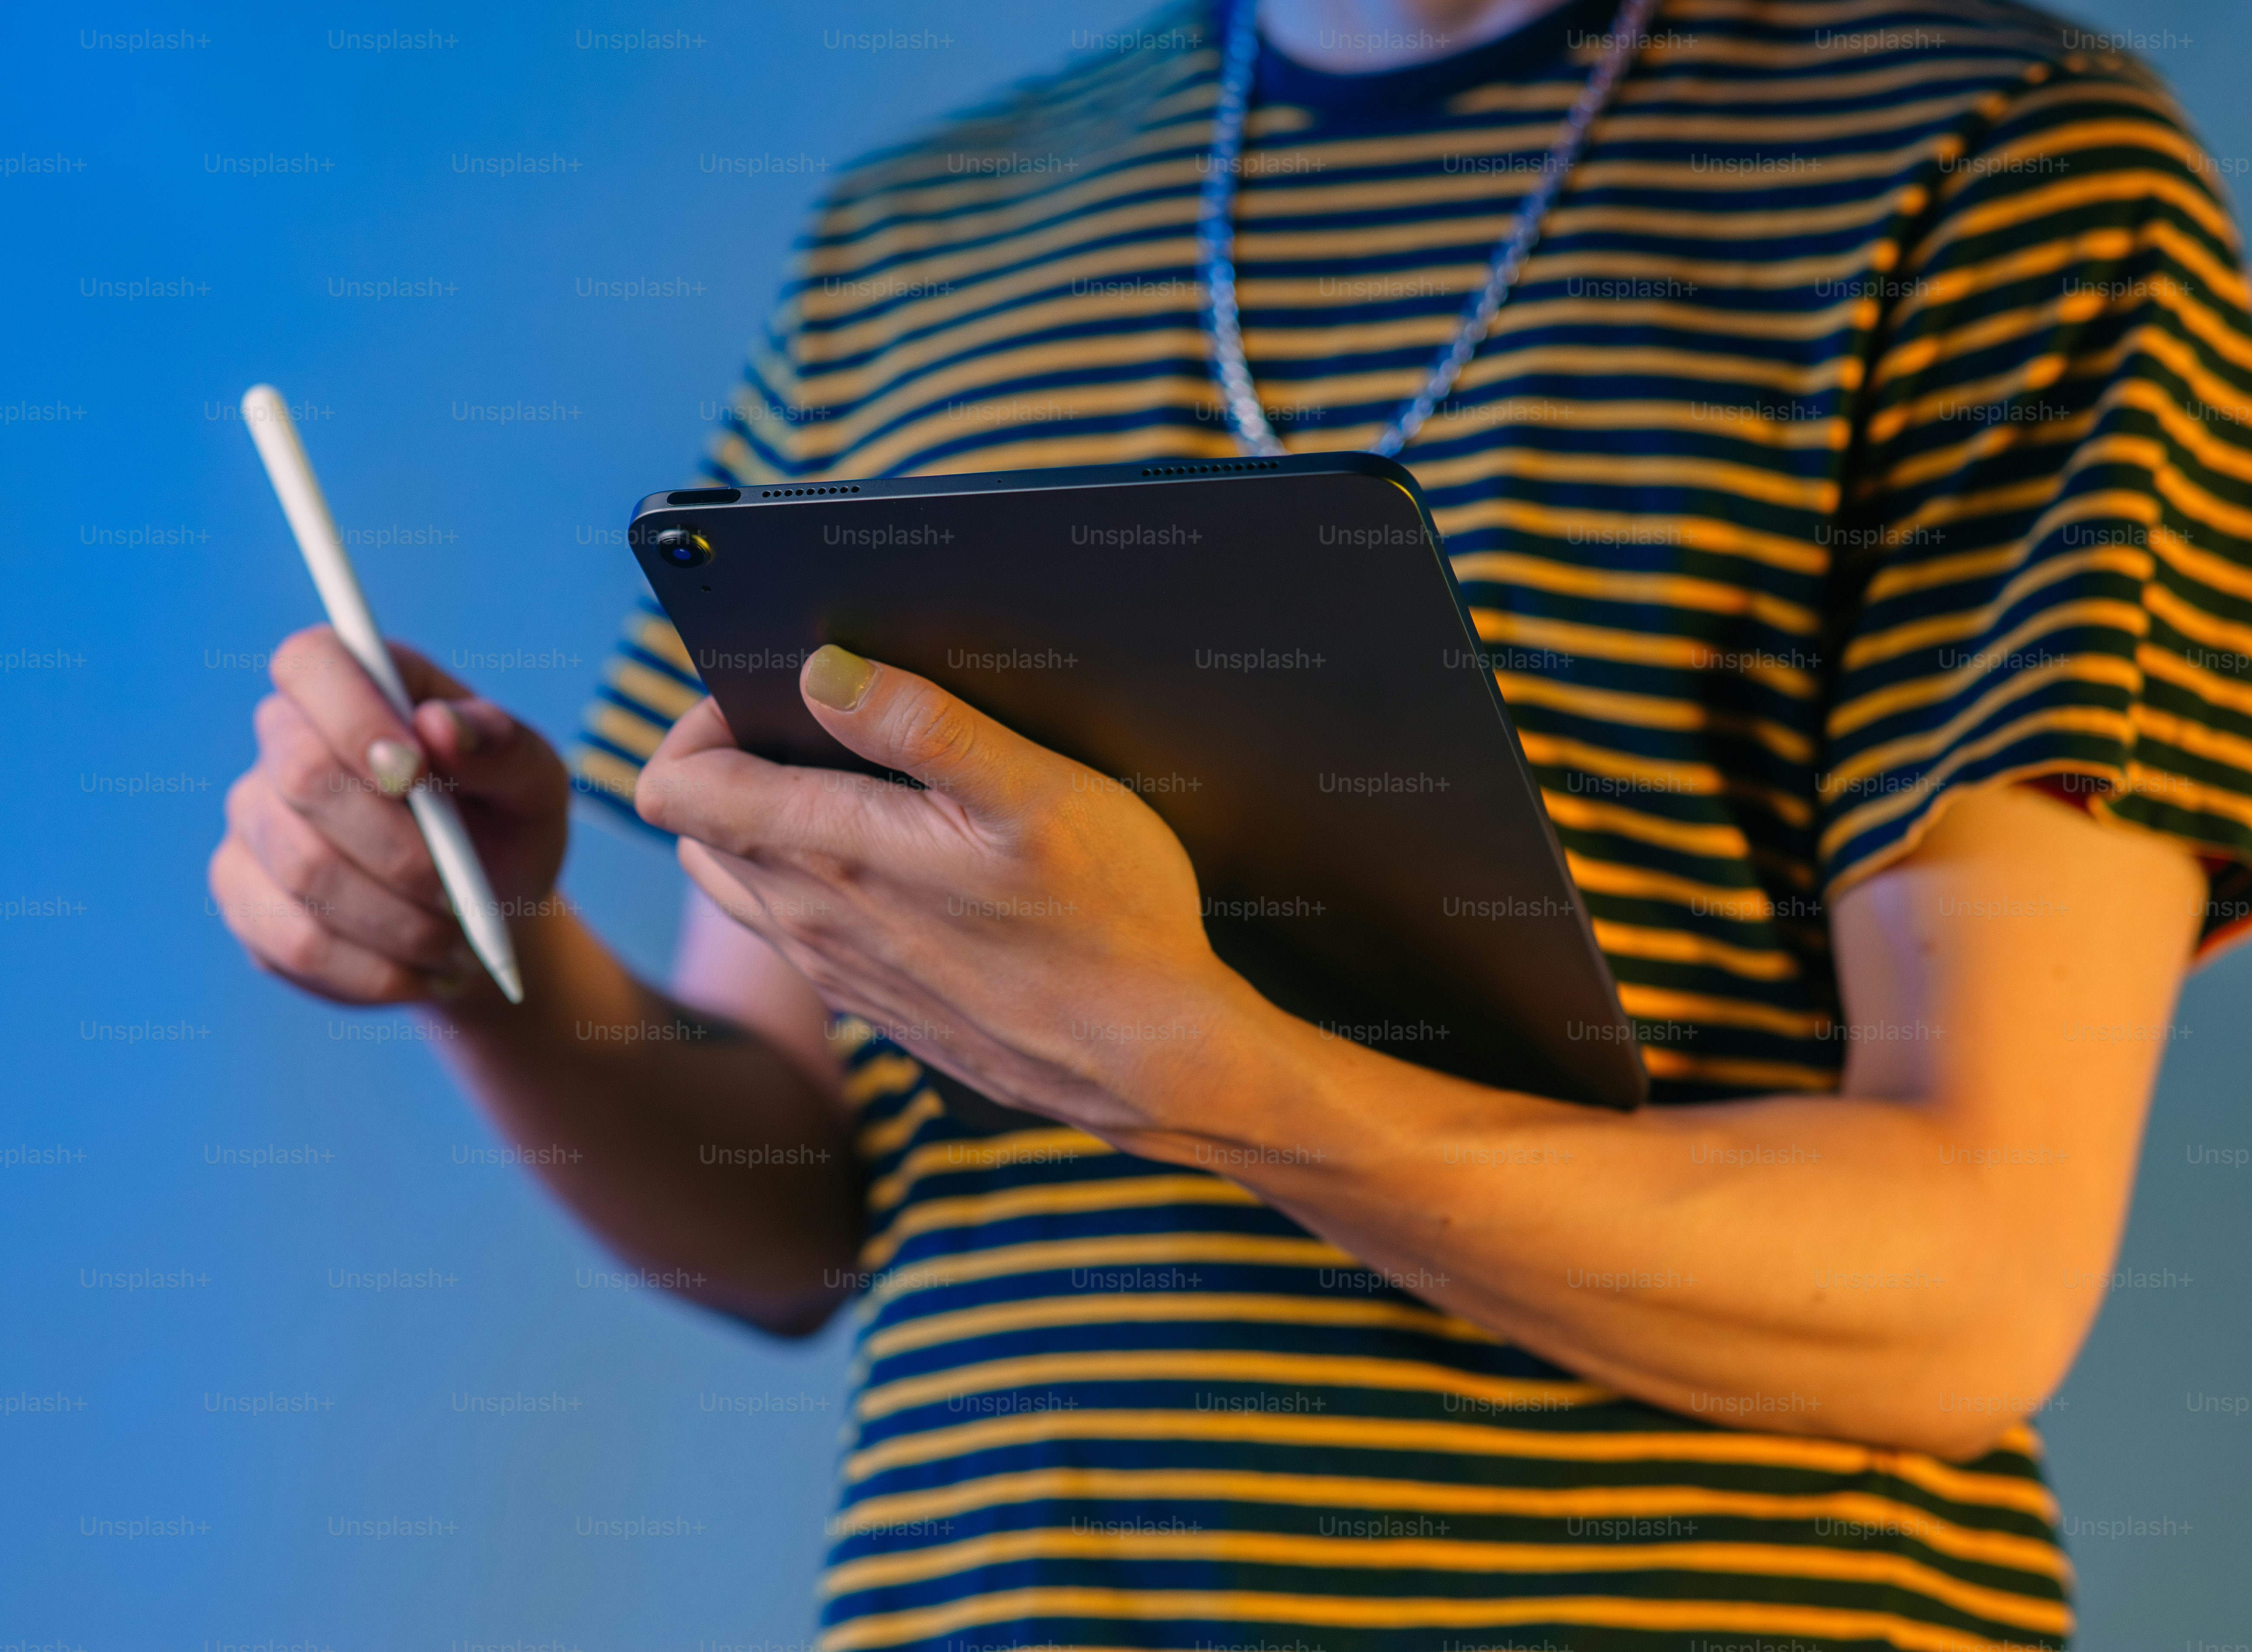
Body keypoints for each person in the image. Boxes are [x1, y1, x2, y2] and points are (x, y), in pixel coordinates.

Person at [209, 0, 2252, 1645]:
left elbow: (1977, 1274)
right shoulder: (912, 235)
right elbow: (796, 1194)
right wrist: (482, 957)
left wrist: (1202, 1068)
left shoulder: (2002, 158)